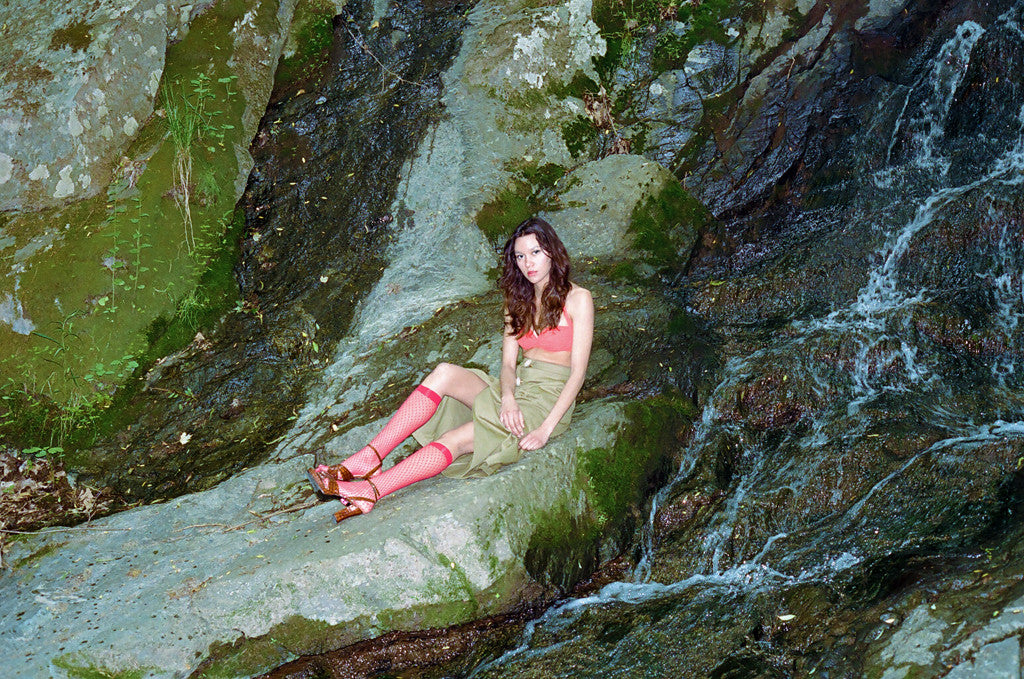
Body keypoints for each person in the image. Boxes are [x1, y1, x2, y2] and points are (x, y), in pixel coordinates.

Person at [307, 216, 594, 522]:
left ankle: (371, 490)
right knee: (444, 371)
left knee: (456, 439)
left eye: (535, 253)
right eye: (520, 256)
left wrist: (545, 430)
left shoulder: (578, 299)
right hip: (517, 390)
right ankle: (369, 457)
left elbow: (578, 373)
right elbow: (508, 364)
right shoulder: (517, 299)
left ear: (552, 251)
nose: (528, 264)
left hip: (546, 402)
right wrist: (508, 396)